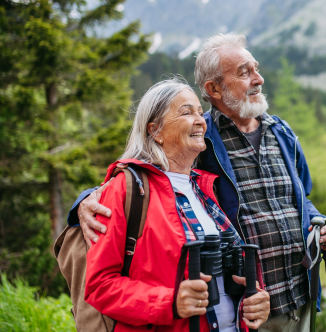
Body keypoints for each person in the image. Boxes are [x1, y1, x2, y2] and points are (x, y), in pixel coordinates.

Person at [70, 34, 326, 332]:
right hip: (247, 310)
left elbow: (302, 196)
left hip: (294, 293)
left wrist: (319, 222)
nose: (258, 79)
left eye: (256, 68)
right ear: (214, 88)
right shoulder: (202, 141)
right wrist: (84, 200)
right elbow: (144, 173)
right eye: (244, 72)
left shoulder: (282, 133)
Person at [84, 79, 270, 332]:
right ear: (155, 130)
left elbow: (226, 275)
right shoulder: (126, 189)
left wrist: (255, 298)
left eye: (198, 111)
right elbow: (100, 286)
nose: (200, 120)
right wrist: (170, 302)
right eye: (186, 112)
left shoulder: (205, 188)